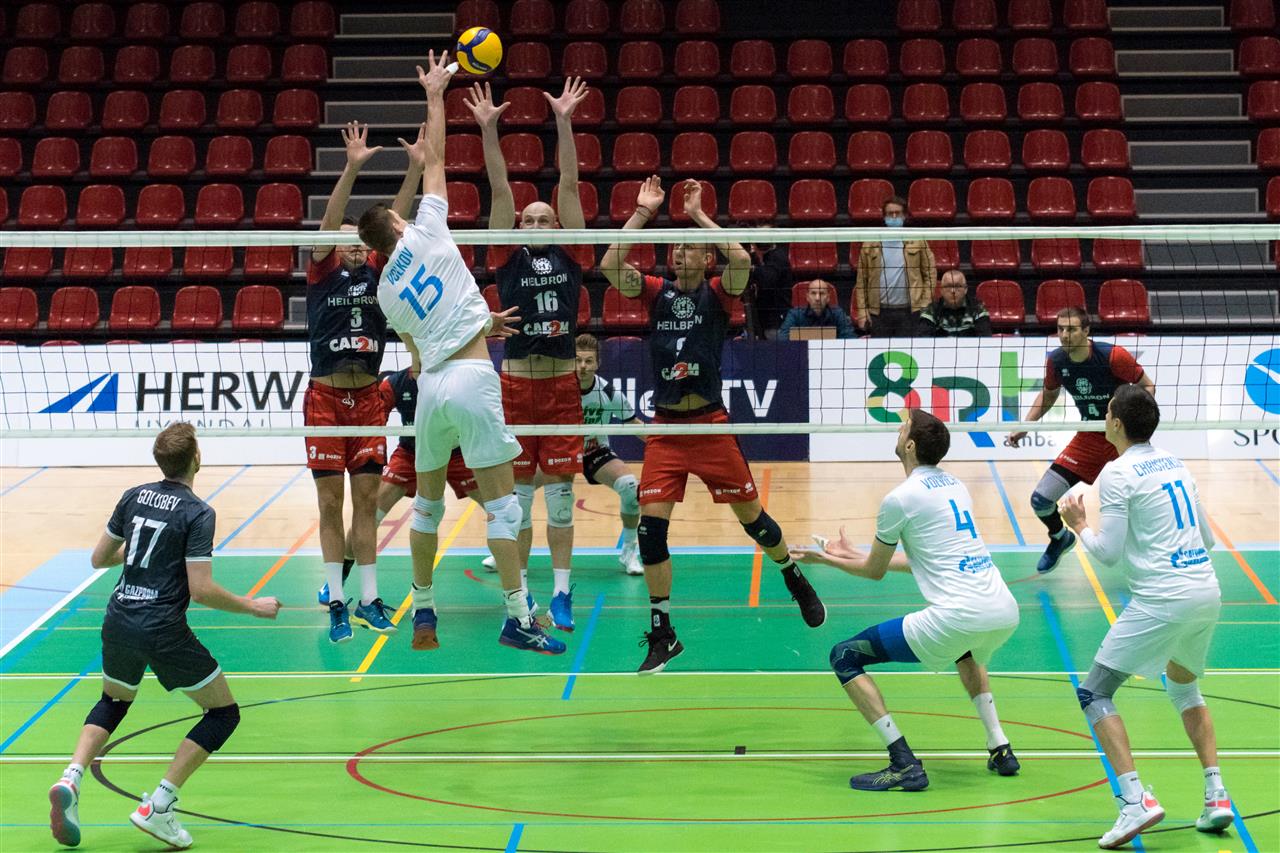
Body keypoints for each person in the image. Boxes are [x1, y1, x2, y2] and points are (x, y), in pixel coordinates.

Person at [360, 51, 565, 655]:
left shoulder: (383, 291)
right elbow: (439, 160)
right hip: (473, 377)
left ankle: (423, 610)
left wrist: (479, 320)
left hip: (431, 389)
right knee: (503, 509)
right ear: (398, 224)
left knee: (425, 508)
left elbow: (423, 341)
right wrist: (435, 92)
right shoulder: (427, 229)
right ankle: (518, 616)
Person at [601, 176, 826, 674]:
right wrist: (643, 213)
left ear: (706, 259)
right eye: (676, 248)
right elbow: (609, 266)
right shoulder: (655, 293)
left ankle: (792, 575)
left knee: (756, 522)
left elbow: (741, 259)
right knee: (650, 532)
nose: (679, 253)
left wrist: (700, 217)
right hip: (666, 429)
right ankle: (664, 632)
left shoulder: (721, 293)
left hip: (710, 425)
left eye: (690, 248)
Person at [48, 423, 281, 850]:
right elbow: (201, 590)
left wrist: (143, 553)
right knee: (223, 714)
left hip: (119, 617)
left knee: (114, 701)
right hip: (161, 628)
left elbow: (99, 558)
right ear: (197, 458)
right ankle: (160, 804)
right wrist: (253, 606)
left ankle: (71, 778)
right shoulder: (198, 512)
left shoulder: (133, 495)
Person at [791, 409, 1021, 792]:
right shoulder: (954, 485)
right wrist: (853, 553)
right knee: (965, 650)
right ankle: (1000, 747)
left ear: (910, 445)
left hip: (958, 617)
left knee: (844, 656)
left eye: (903, 428)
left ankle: (904, 763)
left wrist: (825, 560)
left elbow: (874, 572)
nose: (898, 431)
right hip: (1003, 610)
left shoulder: (899, 499)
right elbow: (926, 560)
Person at [1058, 384, 1232, 849]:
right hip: (1206, 591)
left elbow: (1108, 554)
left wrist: (1079, 526)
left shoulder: (1117, 473)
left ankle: (1135, 801)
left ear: (1116, 422)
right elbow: (1208, 540)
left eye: (1107, 413)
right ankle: (1216, 795)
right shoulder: (1175, 462)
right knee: (1183, 687)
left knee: (1094, 692)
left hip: (1163, 598)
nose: (1104, 418)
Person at [464, 78, 591, 632]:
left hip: (561, 388)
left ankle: (561, 592)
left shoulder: (573, 250)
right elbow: (499, 189)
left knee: (560, 499)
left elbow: (570, 183)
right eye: (529, 219)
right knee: (514, 502)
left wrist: (563, 120)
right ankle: (519, 598)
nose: (536, 223)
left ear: (557, 226)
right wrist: (488, 129)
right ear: (519, 227)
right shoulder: (506, 254)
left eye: (545, 218)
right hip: (514, 388)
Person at [309, 121, 425, 643]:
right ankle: (337, 600)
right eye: (345, 240)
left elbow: (391, 223)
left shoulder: (380, 271)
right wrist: (351, 168)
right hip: (325, 398)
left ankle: (370, 598)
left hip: (368, 397)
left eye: (359, 241)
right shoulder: (322, 272)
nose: (353, 247)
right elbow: (329, 224)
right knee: (329, 504)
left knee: (367, 503)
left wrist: (415, 169)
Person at [1007, 307, 1156, 574]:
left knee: (1144, 502)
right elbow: (1049, 395)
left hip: (1124, 437)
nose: (1065, 335)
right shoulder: (1056, 361)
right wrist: (1025, 426)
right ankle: (1059, 537)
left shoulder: (1113, 356)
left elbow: (1147, 386)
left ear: (1086, 331)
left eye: (1072, 329)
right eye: (1060, 329)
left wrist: (1132, 422)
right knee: (1041, 500)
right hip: (1089, 437)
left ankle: (1149, 551)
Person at [575, 333, 646, 575]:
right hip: (561, 452)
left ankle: (629, 551)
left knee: (630, 486)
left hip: (595, 452)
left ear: (597, 364)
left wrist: (664, 444)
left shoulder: (607, 391)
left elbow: (634, 423)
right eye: (578, 360)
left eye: (588, 361)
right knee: (520, 489)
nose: (583, 366)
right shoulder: (559, 389)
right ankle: (507, 551)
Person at [853, 196, 935, 337]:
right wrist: (862, 312)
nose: (894, 217)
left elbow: (930, 273)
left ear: (904, 216)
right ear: (884, 217)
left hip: (910, 312)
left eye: (898, 213)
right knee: (881, 350)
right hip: (879, 313)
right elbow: (861, 282)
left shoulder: (918, 240)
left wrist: (924, 303)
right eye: (890, 214)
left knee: (908, 351)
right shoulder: (870, 243)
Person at [742, 225, 793, 338]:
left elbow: (767, 279)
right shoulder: (761, 258)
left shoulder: (777, 257)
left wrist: (753, 269)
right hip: (763, 319)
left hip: (776, 322)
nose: (762, 240)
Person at [916, 270, 993, 337]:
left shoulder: (977, 308)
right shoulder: (931, 310)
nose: (953, 291)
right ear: (941, 290)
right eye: (948, 286)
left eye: (958, 286)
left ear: (966, 289)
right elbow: (923, 341)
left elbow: (985, 340)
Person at [778, 279, 859, 340]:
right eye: (813, 293)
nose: (817, 298)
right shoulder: (795, 314)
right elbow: (782, 338)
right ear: (807, 297)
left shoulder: (838, 314)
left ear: (828, 297)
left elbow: (851, 339)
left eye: (821, 293)